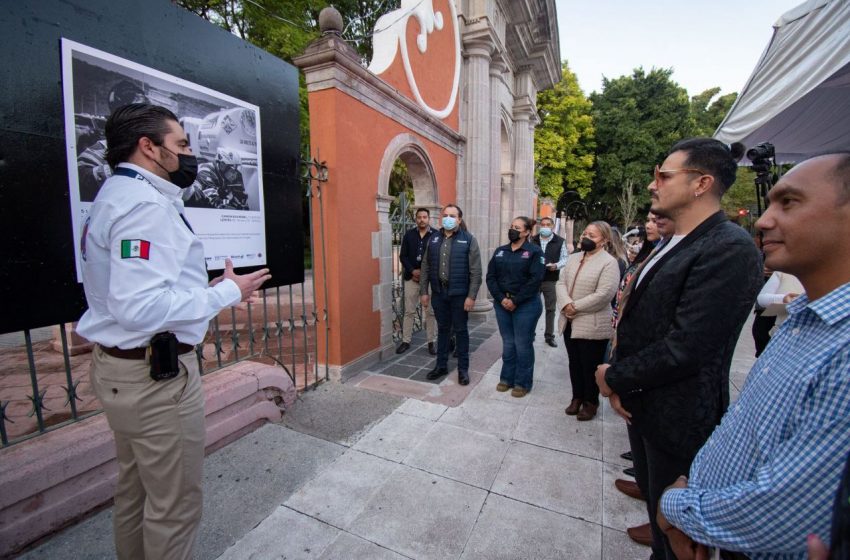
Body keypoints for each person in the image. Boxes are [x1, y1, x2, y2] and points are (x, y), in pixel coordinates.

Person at [76, 104, 271, 559]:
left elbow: (143, 289)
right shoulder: (144, 207)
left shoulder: (117, 195)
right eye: (181, 145)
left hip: (123, 371)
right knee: (174, 505)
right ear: (149, 146)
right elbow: (139, 308)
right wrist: (227, 295)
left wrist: (209, 289)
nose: (188, 154)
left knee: (137, 490)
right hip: (155, 382)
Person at [656, 152, 850, 560]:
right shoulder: (802, 321)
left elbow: (789, 513)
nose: (762, 220)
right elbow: (746, 427)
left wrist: (676, 508)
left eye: (790, 202)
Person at [595, 138, 763, 559]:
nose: (654, 185)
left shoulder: (728, 247)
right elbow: (640, 320)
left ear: (701, 183)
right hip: (645, 404)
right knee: (658, 516)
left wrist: (613, 376)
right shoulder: (676, 242)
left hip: (680, 414)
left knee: (676, 535)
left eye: (664, 176)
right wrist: (623, 383)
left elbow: (687, 344)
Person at [557, 221, 620, 421]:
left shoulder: (609, 262)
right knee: (574, 363)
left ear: (604, 240)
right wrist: (566, 303)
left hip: (591, 322)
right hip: (569, 321)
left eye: (592, 236)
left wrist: (575, 306)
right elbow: (560, 283)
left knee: (589, 365)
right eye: (585, 233)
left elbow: (604, 294)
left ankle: (590, 402)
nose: (586, 238)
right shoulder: (574, 258)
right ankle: (576, 397)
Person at [420, 204, 483, 386]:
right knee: (443, 330)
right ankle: (441, 365)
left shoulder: (469, 240)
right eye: (445, 215)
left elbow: (476, 271)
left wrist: (471, 296)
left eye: (452, 216)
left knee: (461, 331)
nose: (448, 218)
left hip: (460, 295)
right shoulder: (433, 239)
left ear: (459, 220)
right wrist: (424, 292)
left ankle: (463, 370)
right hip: (439, 293)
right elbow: (425, 267)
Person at [486, 216, 545, 397]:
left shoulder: (534, 252)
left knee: (522, 343)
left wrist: (515, 300)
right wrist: (502, 298)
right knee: (508, 343)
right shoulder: (500, 251)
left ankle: (522, 382)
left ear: (527, 232)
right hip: (502, 303)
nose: (513, 230)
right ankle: (506, 378)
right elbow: (491, 277)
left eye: (518, 228)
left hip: (526, 305)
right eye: (512, 226)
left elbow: (535, 280)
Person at [77, 80, 149, 201]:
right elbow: (82, 176)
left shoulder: (158, 149)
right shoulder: (101, 148)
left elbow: (188, 191)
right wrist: (129, 166)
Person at [396, 207, 438, 355]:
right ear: (416, 219)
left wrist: (425, 274)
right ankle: (406, 341)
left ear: (429, 218)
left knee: (430, 311)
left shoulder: (436, 236)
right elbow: (403, 256)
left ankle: (431, 342)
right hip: (411, 278)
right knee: (409, 311)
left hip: (429, 281)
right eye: (419, 217)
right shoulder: (408, 235)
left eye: (424, 217)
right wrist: (413, 271)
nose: (422, 219)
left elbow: (437, 257)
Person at [532, 216, 568, 348]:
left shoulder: (560, 241)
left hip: (551, 279)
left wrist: (556, 265)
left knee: (550, 309)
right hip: (534, 279)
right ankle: (531, 334)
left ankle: (549, 336)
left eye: (548, 225)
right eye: (543, 224)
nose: (545, 227)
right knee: (532, 308)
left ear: (552, 226)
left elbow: (565, 258)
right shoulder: (533, 239)